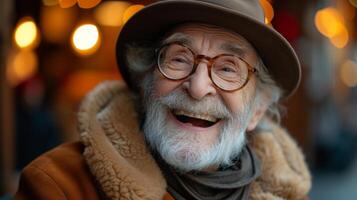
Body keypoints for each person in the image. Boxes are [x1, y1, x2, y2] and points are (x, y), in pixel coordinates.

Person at [14, 0, 311, 199]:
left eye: (227, 68)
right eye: (179, 59)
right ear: (145, 81)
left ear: (257, 110)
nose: (197, 87)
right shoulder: (59, 185)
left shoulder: (287, 194)